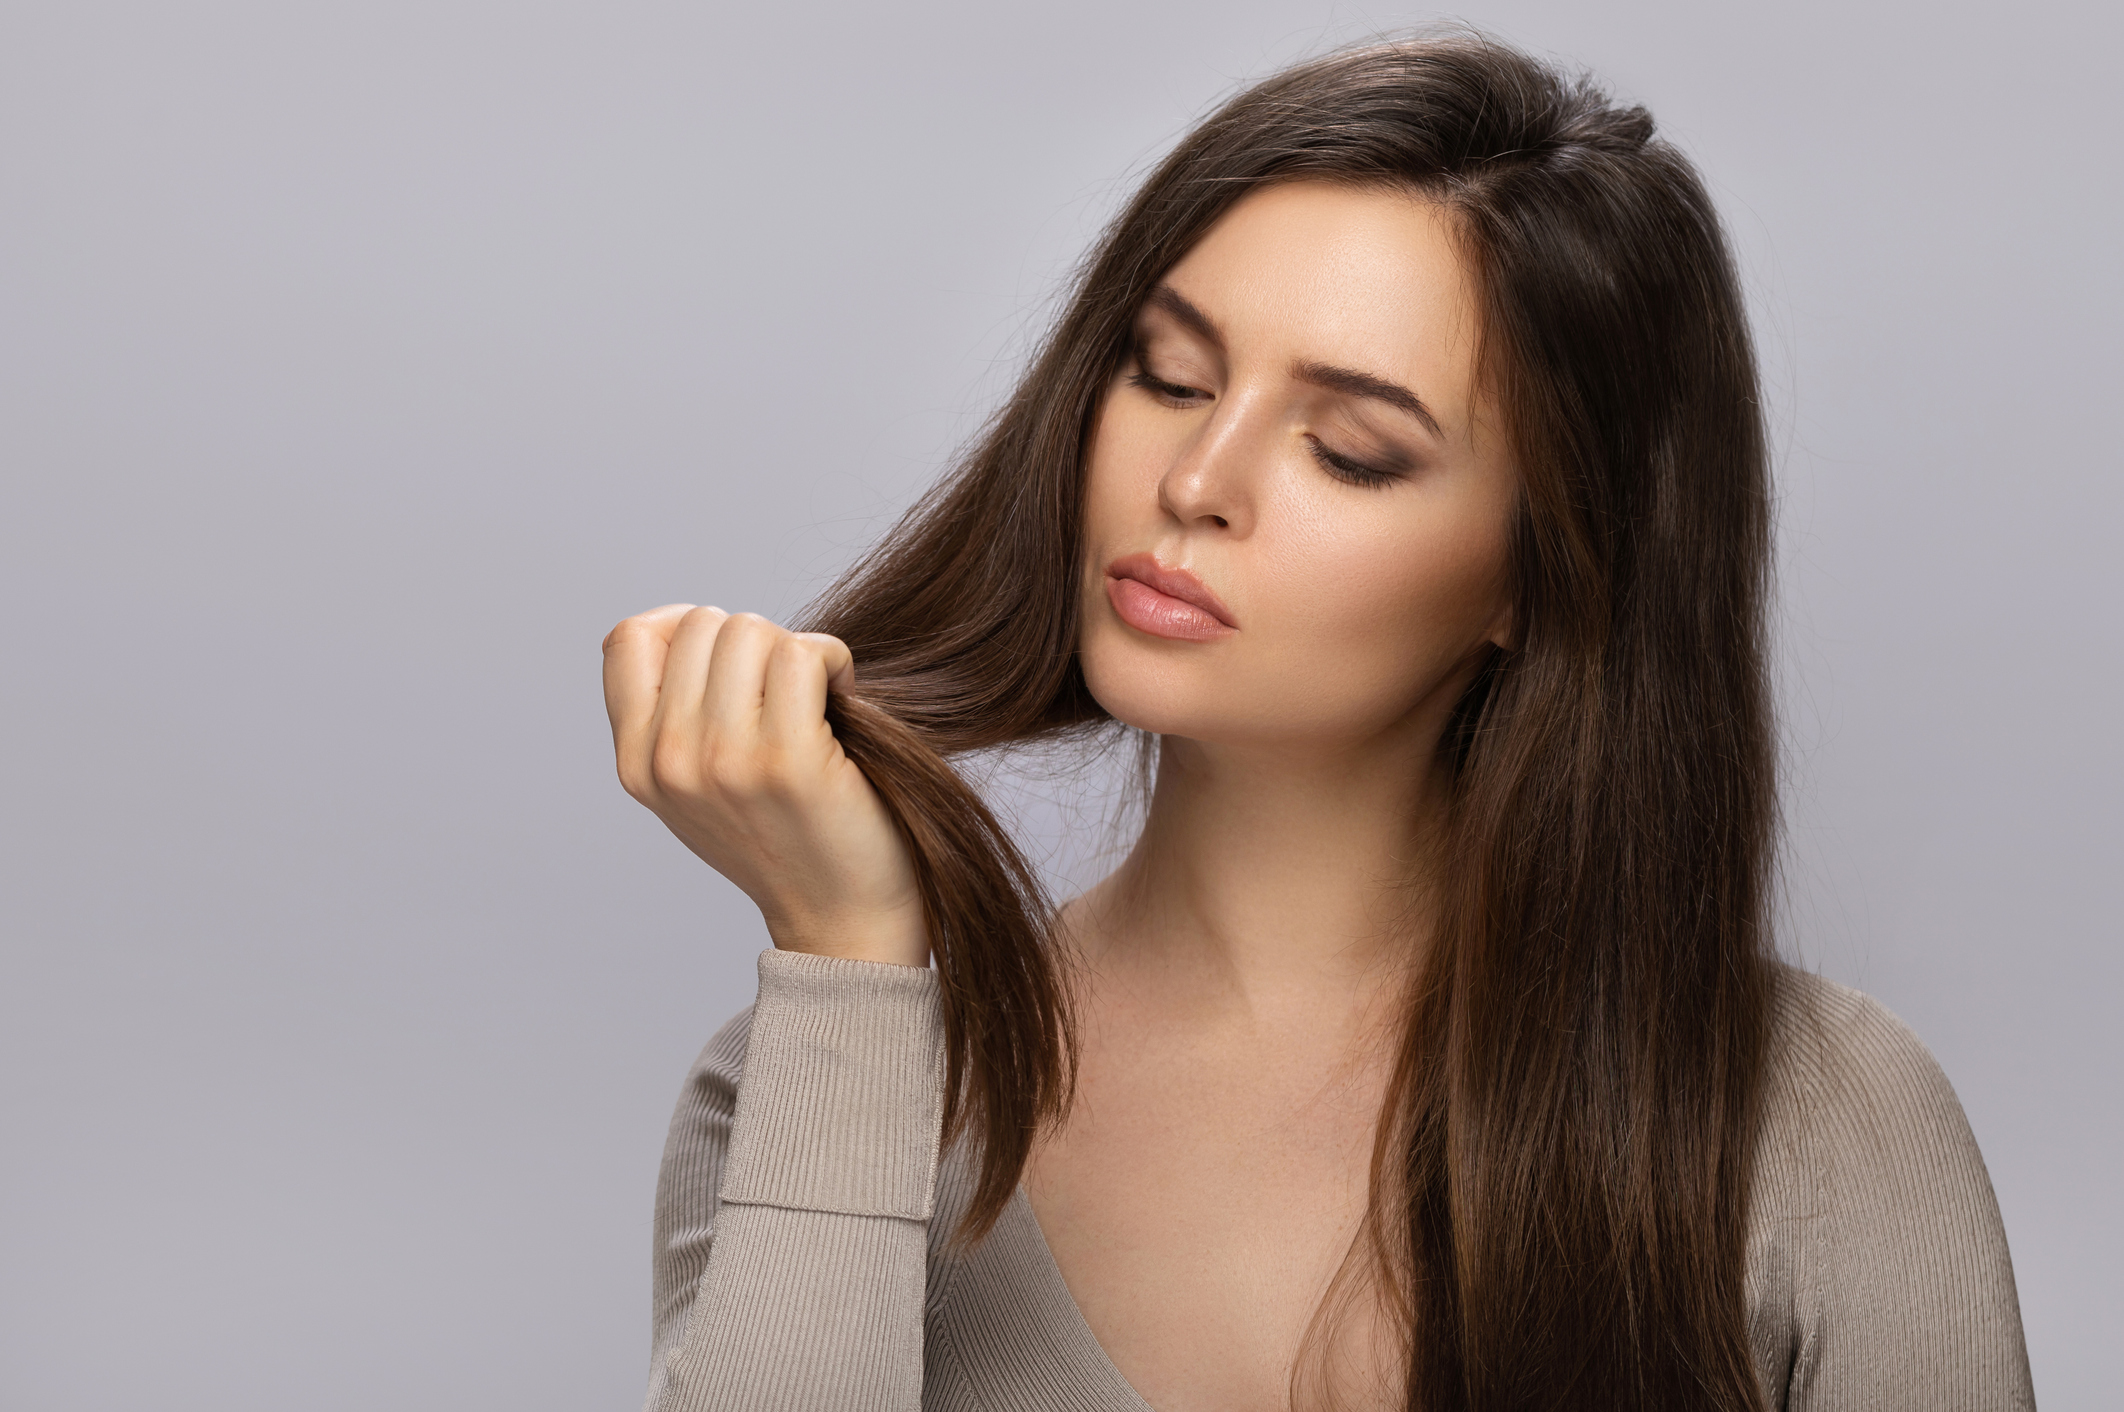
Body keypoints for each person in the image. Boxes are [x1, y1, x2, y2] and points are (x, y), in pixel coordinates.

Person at [600, 31, 2034, 1412]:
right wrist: (850, 969)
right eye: (1168, 375)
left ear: (1540, 577)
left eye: (1351, 451)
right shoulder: (805, 1086)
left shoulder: (1826, 1126)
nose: (1200, 477)